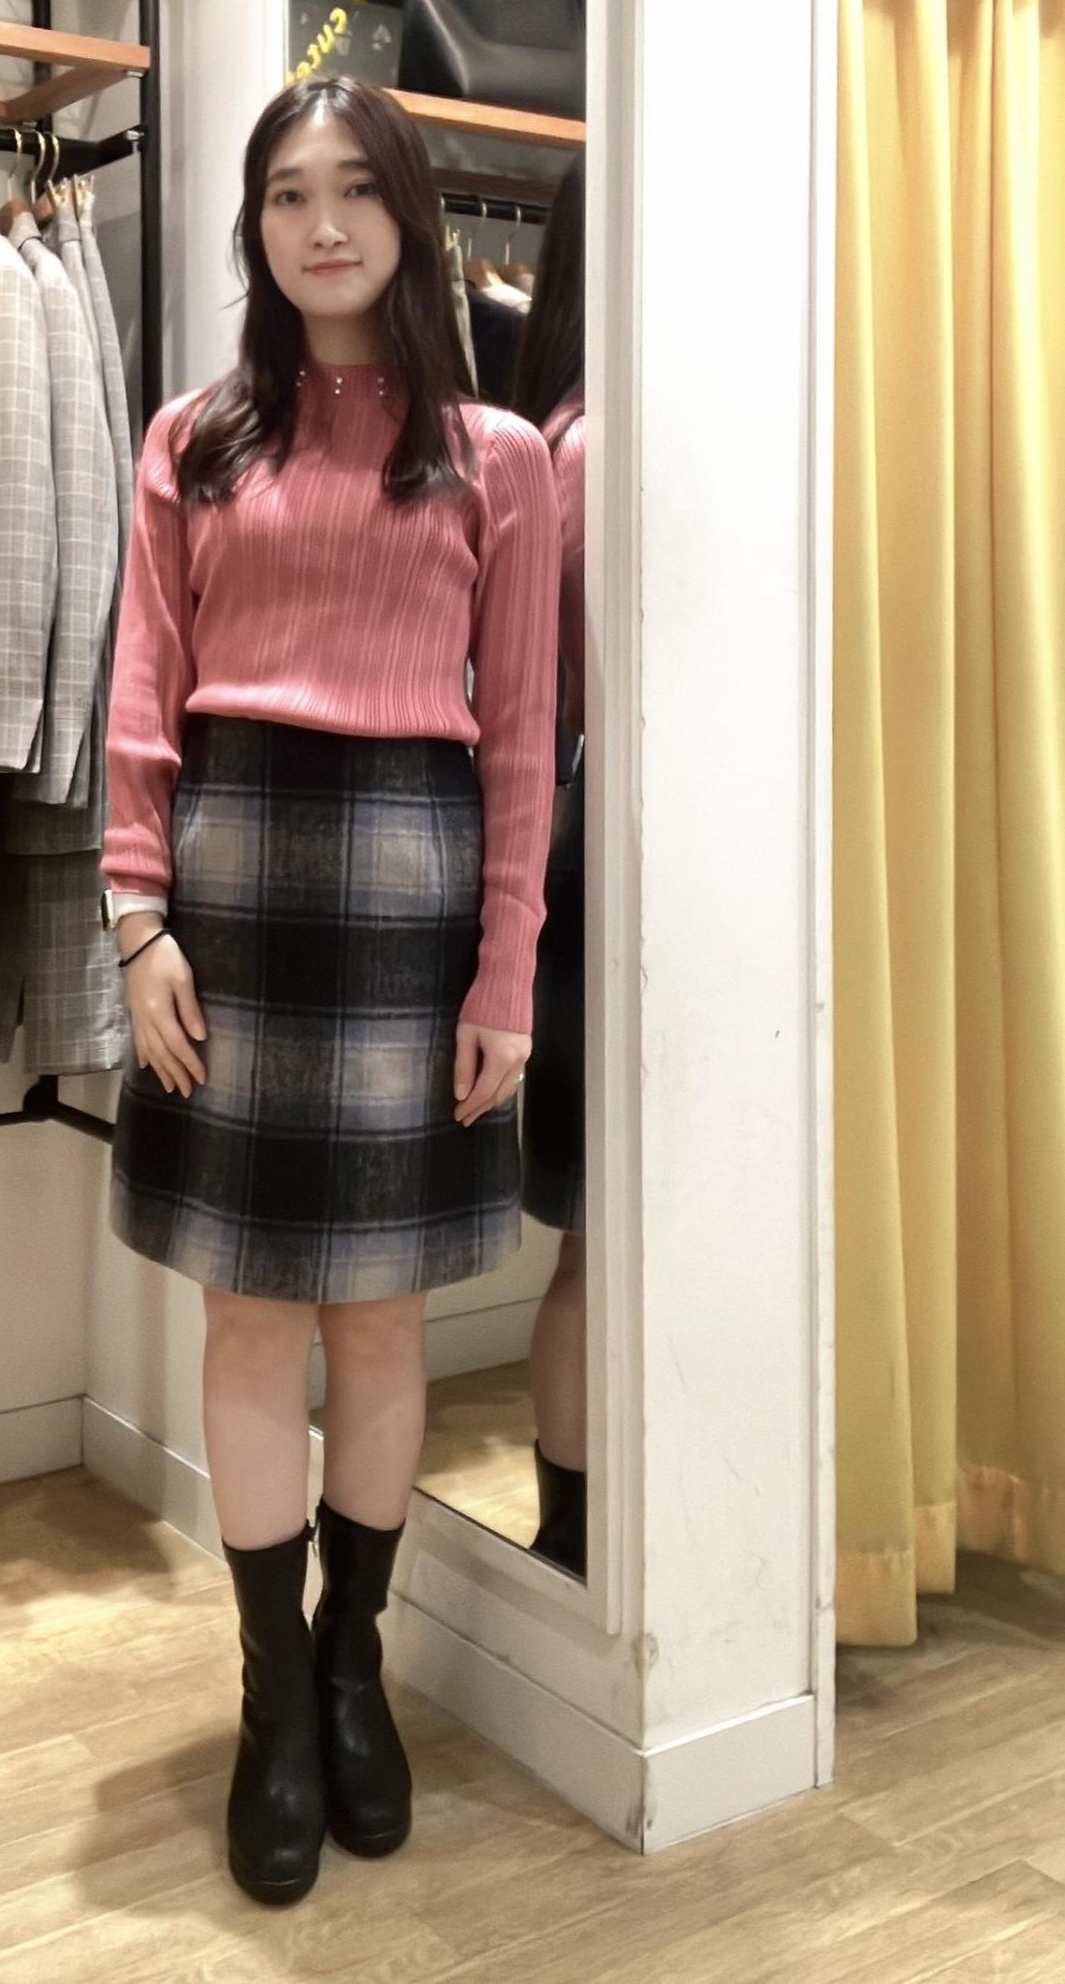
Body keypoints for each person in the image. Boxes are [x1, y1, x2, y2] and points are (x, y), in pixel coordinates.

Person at [100, 75, 560, 1906]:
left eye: (356, 190)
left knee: (378, 1322)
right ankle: (270, 1694)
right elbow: (142, 699)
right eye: (288, 195)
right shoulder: (193, 439)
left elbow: (520, 740)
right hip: (230, 906)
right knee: (248, 1321)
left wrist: (508, 966)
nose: (322, 226)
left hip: (412, 901)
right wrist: (137, 922)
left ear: (411, 216)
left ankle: (354, 1663)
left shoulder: (498, 457)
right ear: (257, 227)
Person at [512, 158, 590, 1581]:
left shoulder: (563, 432)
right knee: (608, 1234)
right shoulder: (590, 444)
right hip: (608, 863)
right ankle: (580, 1536)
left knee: (605, 1233)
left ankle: (582, 1531)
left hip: (595, 855)